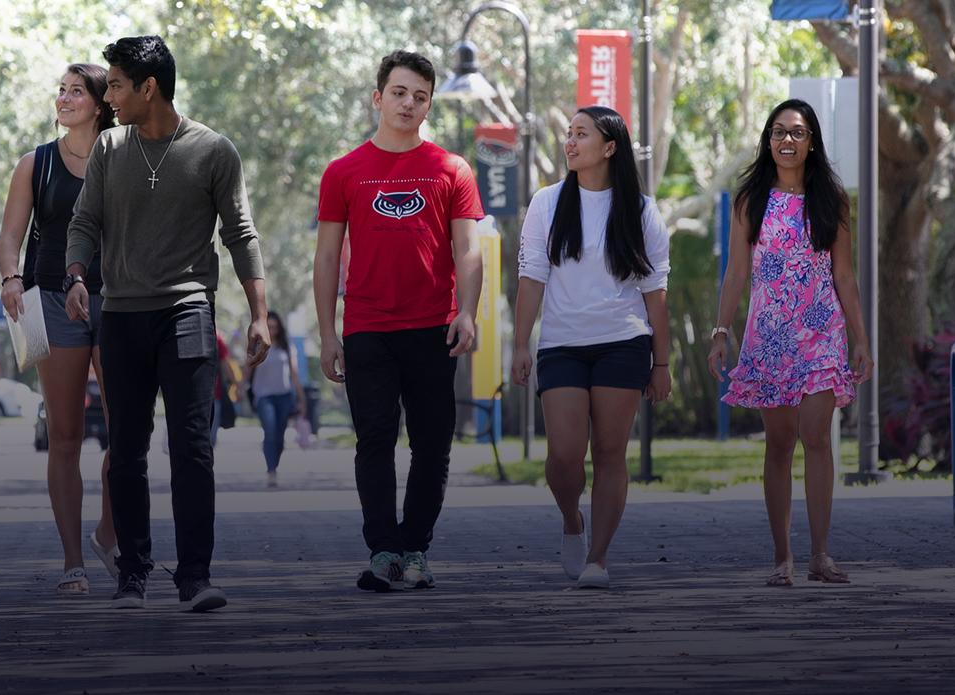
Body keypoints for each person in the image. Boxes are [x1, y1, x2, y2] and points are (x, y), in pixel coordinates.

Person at [64, 35, 270, 612]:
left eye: (118, 84)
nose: (109, 94)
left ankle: (195, 576)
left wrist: (259, 314)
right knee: (125, 449)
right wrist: (76, 273)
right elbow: (85, 222)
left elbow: (241, 235)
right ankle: (133, 572)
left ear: (148, 88)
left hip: (187, 311)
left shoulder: (213, 150)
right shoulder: (108, 148)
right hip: (122, 316)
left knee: (192, 449)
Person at [312, 50, 483, 592]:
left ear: (429, 105)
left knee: (433, 444)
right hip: (367, 329)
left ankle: (416, 549)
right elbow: (324, 258)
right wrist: (326, 333)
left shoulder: (451, 169)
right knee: (375, 440)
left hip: (433, 326)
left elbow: (469, 252)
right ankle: (383, 550)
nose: (409, 103)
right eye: (400, 93)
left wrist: (469, 313)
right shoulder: (344, 172)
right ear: (378, 97)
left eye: (421, 96)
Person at [706, 98, 875, 587]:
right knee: (778, 444)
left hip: (822, 332)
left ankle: (821, 554)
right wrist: (722, 333)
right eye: (778, 132)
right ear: (768, 140)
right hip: (770, 335)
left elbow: (845, 275)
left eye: (797, 133)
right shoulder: (750, 200)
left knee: (816, 435)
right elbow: (736, 272)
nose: (786, 140)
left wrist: (860, 339)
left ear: (811, 141)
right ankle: (784, 557)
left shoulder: (832, 200)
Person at [509, 106, 672, 590]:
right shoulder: (547, 202)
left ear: (609, 147)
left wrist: (661, 361)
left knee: (608, 451)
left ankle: (599, 558)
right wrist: (521, 344)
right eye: (569, 133)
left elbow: (655, 293)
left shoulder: (641, 210)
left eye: (581, 134)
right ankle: (572, 520)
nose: (570, 142)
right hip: (562, 345)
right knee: (563, 454)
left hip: (623, 342)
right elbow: (531, 277)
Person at [0, 62, 121, 592]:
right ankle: (74, 563)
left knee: (130, 432)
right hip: (48, 300)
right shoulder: (36, 164)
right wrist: (9, 276)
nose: (65, 99)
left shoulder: (127, 158)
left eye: (77, 92)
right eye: (62, 91)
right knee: (65, 435)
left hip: (119, 302)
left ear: (99, 103)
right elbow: (10, 237)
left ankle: (109, 535)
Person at [250, 314, 307, 488]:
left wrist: (301, 398)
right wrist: (237, 387)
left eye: (275, 326)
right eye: (269, 326)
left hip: (284, 396)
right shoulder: (257, 346)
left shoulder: (286, 346)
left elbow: (294, 374)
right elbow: (247, 369)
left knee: (280, 436)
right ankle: (271, 470)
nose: (272, 330)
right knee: (270, 431)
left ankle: (275, 463)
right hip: (263, 396)